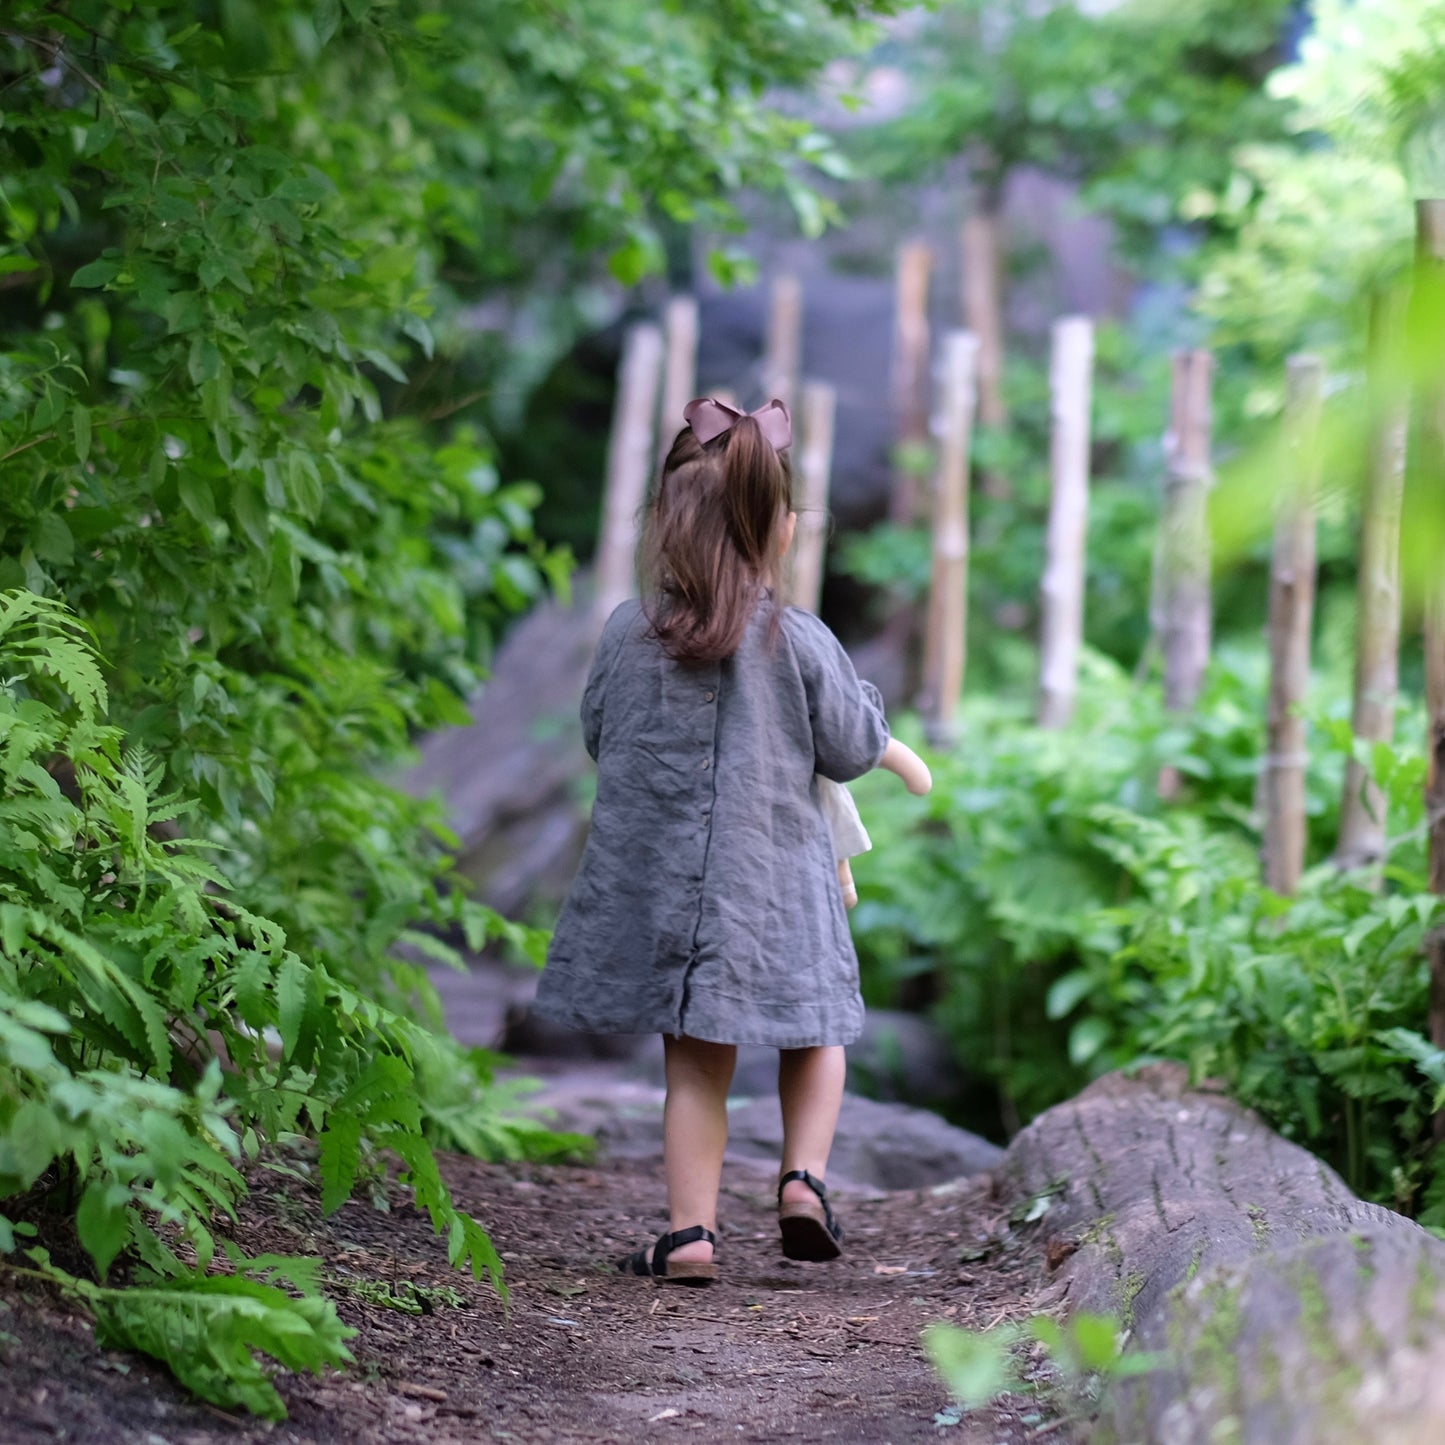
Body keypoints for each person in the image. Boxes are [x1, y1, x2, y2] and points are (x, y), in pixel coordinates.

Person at [533, 395, 926, 1286]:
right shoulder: (798, 638)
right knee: (816, 1030)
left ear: (665, 522)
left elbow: (598, 732)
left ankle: (690, 1234)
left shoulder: (628, 632)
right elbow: (850, 748)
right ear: (776, 529)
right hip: (779, 885)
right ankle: (801, 1181)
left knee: (695, 1070)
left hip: (670, 895)